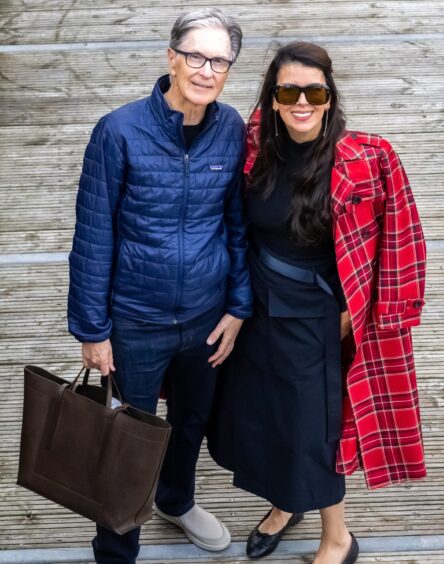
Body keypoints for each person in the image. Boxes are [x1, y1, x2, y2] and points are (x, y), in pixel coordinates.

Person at [208, 41, 426, 563]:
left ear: (329, 96)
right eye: (289, 90)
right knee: (268, 416)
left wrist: (371, 314)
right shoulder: (256, 143)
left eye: (314, 91)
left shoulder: (368, 159)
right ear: (273, 98)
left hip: (319, 316)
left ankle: (338, 540)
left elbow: (404, 242)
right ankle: (286, 503)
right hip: (257, 308)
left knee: (315, 430)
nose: (301, 102)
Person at [67, 9, 252, 563]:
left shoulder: (231, 129)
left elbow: (237, 225)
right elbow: (94, 234)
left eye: (220, 60)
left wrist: (239, 306)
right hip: (135, 322)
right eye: (196, 55)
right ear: (171, 56)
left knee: (191, 421)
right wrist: (93, 330)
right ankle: (117, 550)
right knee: (126, 440)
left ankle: (177, 499)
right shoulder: (118, 130)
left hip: (205, 317)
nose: (206, 69)